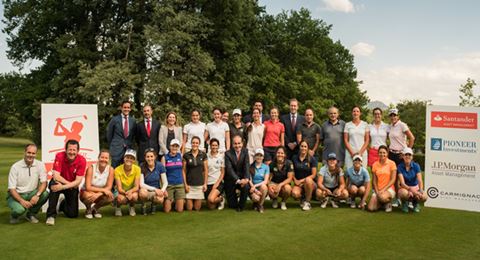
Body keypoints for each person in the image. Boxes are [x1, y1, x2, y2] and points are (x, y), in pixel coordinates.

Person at [46, 139, 86, 226]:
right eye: (70, 150)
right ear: (66, 150)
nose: (71, 152)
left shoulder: (82, 160)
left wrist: (64, 186)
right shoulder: (59, 156)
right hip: (60, 182)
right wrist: (67, 184)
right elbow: (56, 176)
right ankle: (51, 216)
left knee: (73, 214)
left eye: (74, 150)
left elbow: (78, 181)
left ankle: (62, 205)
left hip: (71, 185)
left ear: (78, 151)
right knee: (54, 186)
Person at [7, 144, 49, 224]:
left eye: (33, 153)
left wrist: (37, 195)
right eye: (29, 152)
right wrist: (22, 201)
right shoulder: (15, 167)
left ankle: (31, 214)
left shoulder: (40, 165)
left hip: (31, 193)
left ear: (36, 154)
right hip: (16, 195)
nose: (31, 155)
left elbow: (44, 183)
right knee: (19, 210)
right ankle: (14, 215)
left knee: (45, 194)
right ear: (25, 152)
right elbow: (12, 189)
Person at [388, 108, 415, 207]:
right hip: (391, 154)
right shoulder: (390, 126)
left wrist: (407, 151)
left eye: (394, 115)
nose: (393, 117)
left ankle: (409, 198)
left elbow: (412, 138)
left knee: (404, 177)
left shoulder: (402, 125)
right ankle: (397, 198)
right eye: (391, 115)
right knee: (394, 178)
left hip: (401, 155)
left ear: (398, 116)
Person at [80, 150, 115, 219]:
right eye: (102, 157)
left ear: (109, 160)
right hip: (87, 192)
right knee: (88, 196)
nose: (104, 160)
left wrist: (98, 194)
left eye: (106, 158)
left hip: (99, 193)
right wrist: (102, 191)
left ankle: (95, 208)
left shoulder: (111, 170)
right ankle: (88, 209)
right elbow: (88, 187)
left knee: (110, 197)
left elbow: (109, 187)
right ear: (98, 158)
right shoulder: (91, 168)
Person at [224, 135, 251, 211]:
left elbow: (247, 166)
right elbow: (229, 170)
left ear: (242, 143)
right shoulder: (227, 153)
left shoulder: (245, 151)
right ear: (232, 144)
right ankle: (233, 200)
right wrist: (238, 181)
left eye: (239, 143)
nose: (237, 145)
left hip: (242, 178)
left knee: (245, 186)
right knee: (232, 205)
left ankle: (241, 207)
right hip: (231, 180)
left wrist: (246, 179)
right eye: (235, 143)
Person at [106, 101, 136, 167]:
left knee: (127, 169)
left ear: (130, 109)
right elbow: (109, 134)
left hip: (128, 149)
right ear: (121, 108)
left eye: (128, 107)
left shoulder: (133, 121)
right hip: (116, 149)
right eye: (124, 107)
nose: (126, 109)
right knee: (115, 169)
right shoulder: (114, 119)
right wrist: (113, 145)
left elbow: (133, 135)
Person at [397, 147, 427, 213]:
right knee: (403, 193)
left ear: (412, 157)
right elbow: (402, 183)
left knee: (424, 196)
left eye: (409, 154)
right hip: (405, 187)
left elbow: (420, 180)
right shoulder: (400, 166)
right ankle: (405, 203)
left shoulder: (416, 166)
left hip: (415, 187)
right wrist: (413, 191)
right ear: (403, 156)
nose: (407, 156)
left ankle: (415, 203)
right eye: (406, 154)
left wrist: (421, 190)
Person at [368, 145, 397, 212]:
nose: (382, 154)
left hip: (389, 189)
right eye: (380, 152)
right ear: (378, 153)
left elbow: (393, 180)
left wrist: (383, 190)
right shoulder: (375, 164)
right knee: (371, 208)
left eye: (384, 152)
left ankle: (388, 203)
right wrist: (377, 191)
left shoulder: (392, 163)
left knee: (382, 197)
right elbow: (374, 181)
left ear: (387, 153)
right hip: (378, 189)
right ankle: (382, 204)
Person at [139, 148, 168, 215]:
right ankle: (143, 205)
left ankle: (154, 205)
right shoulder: (142, 166)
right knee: (142, 193)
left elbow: (165, 182)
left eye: (151, 156)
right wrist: (155, 189)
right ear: (145, 158)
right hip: (146, 190)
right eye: (147, 157)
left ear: (155, 157)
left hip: (157, 190)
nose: (150, 159)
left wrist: (162, 191)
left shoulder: (159, 165)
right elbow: (141, 184)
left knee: (160, 199)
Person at [183, 136, 208, 211]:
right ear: (191, 143)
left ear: (199, 144)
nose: (195, 144)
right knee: (189, 208)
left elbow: (206, 170)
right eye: (193, 143)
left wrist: (205, 184)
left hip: (199, 184)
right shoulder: (186, 155)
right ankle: (182, 201)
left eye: (196, 143)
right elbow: (183, 171)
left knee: (197, 208)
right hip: (189, 185)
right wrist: (185, 184)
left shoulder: (203, 155)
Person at [291, 140, 318, 211]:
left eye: (305, 146)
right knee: (294, 194)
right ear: (299, 147)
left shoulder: (312, 159)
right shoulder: (294, 158)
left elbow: (314, 175)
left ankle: (308, 202)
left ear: (308, 148)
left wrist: (301, 181)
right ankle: (303, 198)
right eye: (302, 146)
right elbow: (292, 172)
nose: (303, 148)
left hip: (310, 183)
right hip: (298, 184)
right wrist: (295, 180)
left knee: (308, 180)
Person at [114, 149, 140, 217]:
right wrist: (127, 193)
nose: (129, 160)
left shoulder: (137, 169)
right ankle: (118, 207)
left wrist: (130, 192)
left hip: (132, 190)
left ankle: (131, 207)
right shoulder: (117, 169)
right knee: (120, 199)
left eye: (132, 158)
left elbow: (136, 186)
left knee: (134, 196)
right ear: (124, 158)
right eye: (127, 157)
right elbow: (119, 188)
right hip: (121, 191)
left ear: (134, 160)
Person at [162, 139, 186, 213]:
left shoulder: (180, 156)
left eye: (176, 146)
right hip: (169, 185)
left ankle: (177, 201)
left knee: (180, 210)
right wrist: (164, 188)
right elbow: (162, 174)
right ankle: (170, 200)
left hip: (179, 184)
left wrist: (185, 184)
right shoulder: (164, 158)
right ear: (170, 146)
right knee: (167, 210)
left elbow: (183, 170)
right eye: (173, 146)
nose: (174, 148)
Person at [268, 146, 294, 210]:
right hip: (274, 183)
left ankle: (283, 202)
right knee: (270, 189)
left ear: (285, 155)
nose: (280, 155)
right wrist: (269, 186)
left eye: (282, 153)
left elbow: (290, 178)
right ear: (276, 154)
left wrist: (280, 185)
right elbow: (269, 178)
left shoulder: (289, 163)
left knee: (288, 189)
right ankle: (274, 200)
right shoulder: (272, 164)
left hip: (284, 184)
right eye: (278, 153)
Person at [206, 138, 225, 210]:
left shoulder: (221, 157)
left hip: (217, 182)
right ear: (210, 146)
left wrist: (217, 183)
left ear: (218, 146)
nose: (214, 147)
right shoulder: (206, 156)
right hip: (208, 182)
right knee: (211, 207)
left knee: (211, 199)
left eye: (216, 145)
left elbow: (223, 172)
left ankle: (221, 199)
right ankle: (219, 199)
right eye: (212, 145)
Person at [248, 148, 270, 213]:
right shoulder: (250, 166)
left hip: (261, 188)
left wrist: (256, 186)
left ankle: (260, 205)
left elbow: (265, 181)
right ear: (254, 156)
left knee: (264, 186)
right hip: (252, 188)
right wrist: (255, 189)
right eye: (257, 155)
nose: (259, 157)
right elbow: (250, 180)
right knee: (256, 198)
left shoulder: (266, 167)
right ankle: (256, 203)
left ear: (263, 157)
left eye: (261, 155)